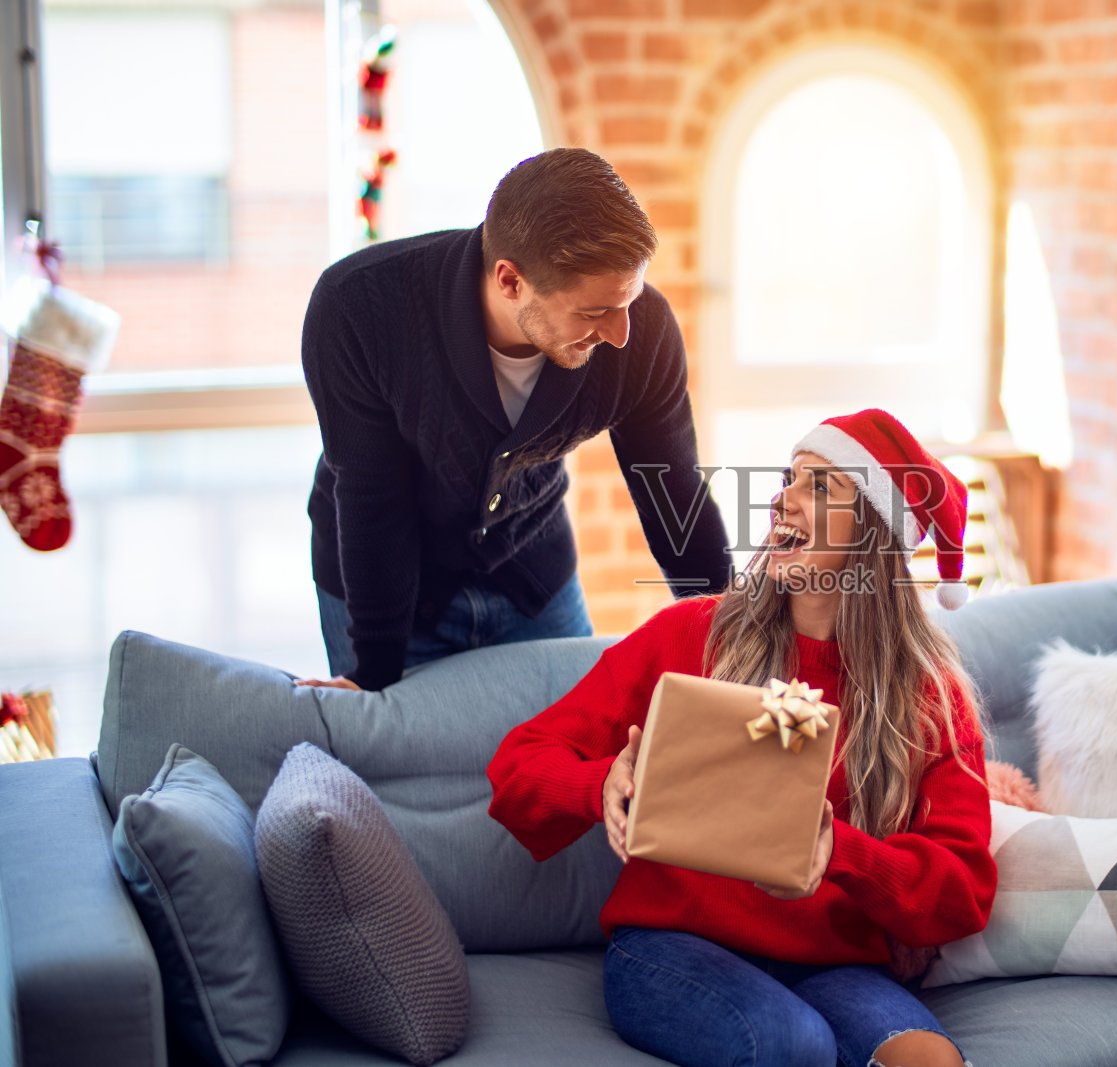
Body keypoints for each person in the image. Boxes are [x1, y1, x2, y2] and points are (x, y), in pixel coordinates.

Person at [487, 409, 993, 1067]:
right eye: (789, 478)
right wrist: (602, 782)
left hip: (833, 963)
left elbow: (964, 889)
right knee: (794, 1045)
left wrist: (843, 851)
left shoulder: (929, 695)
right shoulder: (691, 634)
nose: (782, 497)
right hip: (671, 946)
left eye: (819, 487)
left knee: (930, 1060)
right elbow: (519, 762)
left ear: (870, 531)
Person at [297, 148, 731, 692]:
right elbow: (372, 498)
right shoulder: (358, 308)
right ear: (509, 281)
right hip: (383, 588)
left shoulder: (640, 332)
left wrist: (733, 643)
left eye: (630, 299)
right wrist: (375, 675)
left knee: (575, 746)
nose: (622, 333)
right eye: (595, 312)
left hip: (532, 572)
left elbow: (673, 491)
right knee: (397, 755)